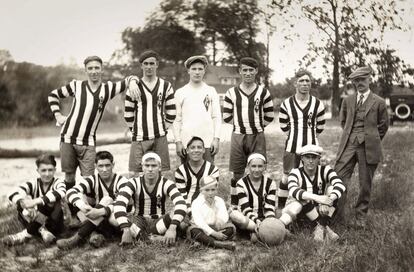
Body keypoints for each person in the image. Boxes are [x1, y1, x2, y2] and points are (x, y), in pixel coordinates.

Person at [47, 56, 139, 213]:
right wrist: (58, 115)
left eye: (97, 68)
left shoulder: (107, 89)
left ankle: (90, 214)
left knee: (89, 181)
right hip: (67, 138)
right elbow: (52, 95)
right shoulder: (76, 85)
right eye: (90, 68)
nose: (94, 71)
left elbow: (131, 78)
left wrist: (132, 82)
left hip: (88, 142)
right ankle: (76, 216)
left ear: (101, 69)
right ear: (86, 71)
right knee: (69, 177)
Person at [334, 66, 389, 228]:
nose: (359, 83)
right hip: (349, 144)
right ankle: (337, 215)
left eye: (362, 79)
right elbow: (343, 122)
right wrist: (352, 136)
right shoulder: (348, 100)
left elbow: (384, 126)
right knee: (338, 176)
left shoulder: (378, 102)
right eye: (356, 80)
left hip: (369, 147)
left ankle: (360, 216)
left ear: (369, 79)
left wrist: (371, 138)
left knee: (365, 183)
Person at [223, 57, 274, 210]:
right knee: (237, 173)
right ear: (239, 71)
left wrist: (256, 126)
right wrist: (241, 125)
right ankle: (235, 203)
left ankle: (257, 204)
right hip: (238, 135)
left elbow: (270, 115)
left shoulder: (263, 92)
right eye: (244, 70)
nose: (248, 73)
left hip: (257, 136)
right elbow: (227, 116)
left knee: (257, 170)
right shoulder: (231, 92)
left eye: (251, 70)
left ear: (256, 71)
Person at [56, 151, 130, 249]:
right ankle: (95, 235)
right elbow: (70, 192)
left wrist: (100, 211)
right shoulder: (92, 179)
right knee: (80, 202)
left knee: (107, 200)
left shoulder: (122, 181)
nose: (104, 169)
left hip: (118, 221)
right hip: (99, 220)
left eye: (107, 165)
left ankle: (77, 239)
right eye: (101, 166)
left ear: (113, 165)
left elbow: (122, 203)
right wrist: (83, 206)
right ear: (95, 166)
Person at [114, 152, 187, 246]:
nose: (150, 169)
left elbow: (181, 203)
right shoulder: (133, 182)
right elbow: (120, 203)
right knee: (114, 215)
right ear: (142, 167)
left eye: (154, 166)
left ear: (160, 167)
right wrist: (126, 229)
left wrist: (172, 228)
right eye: (147, 166)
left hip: (159, 222)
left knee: (180, 213)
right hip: (138, 221)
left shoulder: (167, 183)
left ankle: (142, 238)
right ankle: (153, 239)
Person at [278, 69, 326, 209]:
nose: (305, 84)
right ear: (295, 84)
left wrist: (311, 137)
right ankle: (281, 208)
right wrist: (294, 135)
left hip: (311, 147)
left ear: (310, 84)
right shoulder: (286, 103)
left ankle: (310, 209)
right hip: (292, 146)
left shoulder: (317, 104)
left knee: (311, 177)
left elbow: (321, 125)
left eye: (307, 81)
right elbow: (283, 125)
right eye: (301, 81)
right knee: (287, 177)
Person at [124, 50, 176, 177]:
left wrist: (164, 127)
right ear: (141, 65)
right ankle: (138, 197)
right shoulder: (134, 87)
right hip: (139, 137)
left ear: (157, 64)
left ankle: (158, 196)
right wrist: (136, 129)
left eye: (151, 63)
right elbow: (128, 114)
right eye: (145, 63)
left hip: (159, 136)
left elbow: (171, 110)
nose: (149, 67)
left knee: (160, 173)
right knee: (136, 173)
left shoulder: (165, 85)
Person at [279, 144, 346, 242]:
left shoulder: (325, 170)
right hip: (298, 213)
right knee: (301, 199)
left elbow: (340, 185)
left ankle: (320, 226)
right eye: (307, 157)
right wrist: (318, 198)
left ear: (319, 158)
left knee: (332, 189)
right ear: (302, 158)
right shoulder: (295, 172)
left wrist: (328, 200)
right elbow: (293, 190)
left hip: (317, 211)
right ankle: (323, 227)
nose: (310, 161)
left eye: (314, 157)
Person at [2, 154, 66, 245]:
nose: (47, 174)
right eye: (43, 170)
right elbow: (12, 192)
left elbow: (61, 192)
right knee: (20, 203)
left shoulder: (58, 182)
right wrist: (25, 203)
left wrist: (34, 202)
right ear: (38, 171)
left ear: (55, 170)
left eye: (50, 170)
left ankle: (25, 235)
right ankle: (41, 230)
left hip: (54, 223)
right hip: (36, 219)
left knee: (52, 201)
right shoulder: (33, 183)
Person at [173, 55, 221, 163]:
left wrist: (216, 139)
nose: (197, 72)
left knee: (208, 177)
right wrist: (178, 141)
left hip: (207, 142)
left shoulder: (211, 91)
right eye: (194, 69)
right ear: (188, 71)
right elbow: (177, 119)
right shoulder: (180, 92)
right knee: (188, 176)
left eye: (200, 69)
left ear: (204, 71)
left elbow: (216, 117)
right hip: (187, 142)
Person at [229, 153, 277, 242]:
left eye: (260, 166)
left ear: (265, 167)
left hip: (263, 218)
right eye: (253, 166)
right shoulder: (241, 183)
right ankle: (255, 231)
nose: (257, 169)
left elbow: (269, 208)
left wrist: (269, 222)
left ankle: (260, 232)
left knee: (278, 218)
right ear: (248, 167)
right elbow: (245, 208)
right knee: (234, 214)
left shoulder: (271, 183)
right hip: (248, 219)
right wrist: (256, 221)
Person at [187, 176, 236, 251]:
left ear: (216, 190)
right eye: (207, 190)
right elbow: (200, 223)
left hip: (216, 227)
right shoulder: (196, 202)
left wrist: (219, 224)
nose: (210, 193)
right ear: (201, 191)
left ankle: (206, 241)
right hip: (201, 228)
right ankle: (219, 244)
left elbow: (224, 217)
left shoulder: (219, 201)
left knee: (230, 228)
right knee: (195, 232)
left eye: (213, 190)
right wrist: (214, 233)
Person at [175, 136, 220, 215]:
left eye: (199, 147)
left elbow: (211, 194)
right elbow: (182, 196)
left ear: (203, 150)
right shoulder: (180, 171)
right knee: (182, 225)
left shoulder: (213, 169)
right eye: (192, 147)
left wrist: (201, 211)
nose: (196, 150)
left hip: (207, 206)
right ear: (187, 150)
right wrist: (190, 211)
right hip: (187, 208)